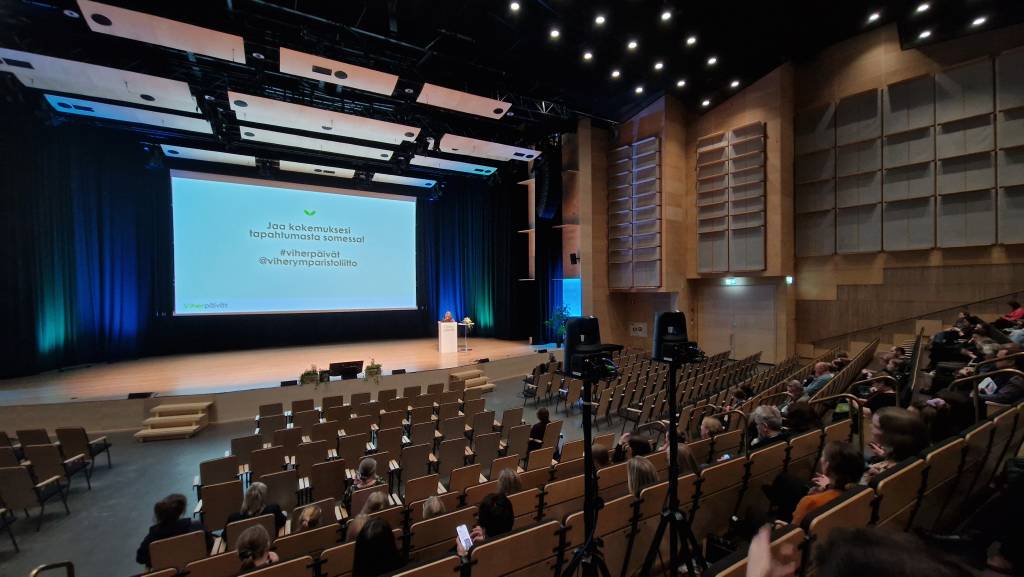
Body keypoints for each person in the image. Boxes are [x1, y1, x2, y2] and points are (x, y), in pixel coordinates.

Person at [791, 441, 864, 525]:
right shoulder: (863, 492)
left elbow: (795, 531)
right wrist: (828, 486)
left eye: (823, 456)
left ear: (827, 466)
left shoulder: (809, 502)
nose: (821, 459)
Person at [136, 493, 211, 567]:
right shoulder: (196, 527)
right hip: (198, 570)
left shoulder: (152, 537)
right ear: (181, 511)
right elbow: (210, 544)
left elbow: (140, 559)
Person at [861, 407, 928, 484]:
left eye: (876, 426)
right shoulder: (913, 453)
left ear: (891, 435)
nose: (870, 426)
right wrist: (885, 456)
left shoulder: (881, 479)